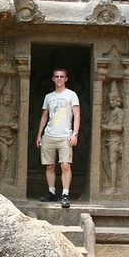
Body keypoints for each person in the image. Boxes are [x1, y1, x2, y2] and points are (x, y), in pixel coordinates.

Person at [35, 67, 80, 208]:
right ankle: (51, 193)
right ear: (53, 79)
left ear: (66, 79)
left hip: (65, 135)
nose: (59, 79)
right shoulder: (49, 97)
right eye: (56, 76)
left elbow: (77, 115)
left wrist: (75, 133)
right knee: (49, 166)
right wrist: (39, 135)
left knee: (65, 165)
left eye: (62, 76)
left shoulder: (71, 95)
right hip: (49, 134)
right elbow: (44, 116)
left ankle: (65, 194)